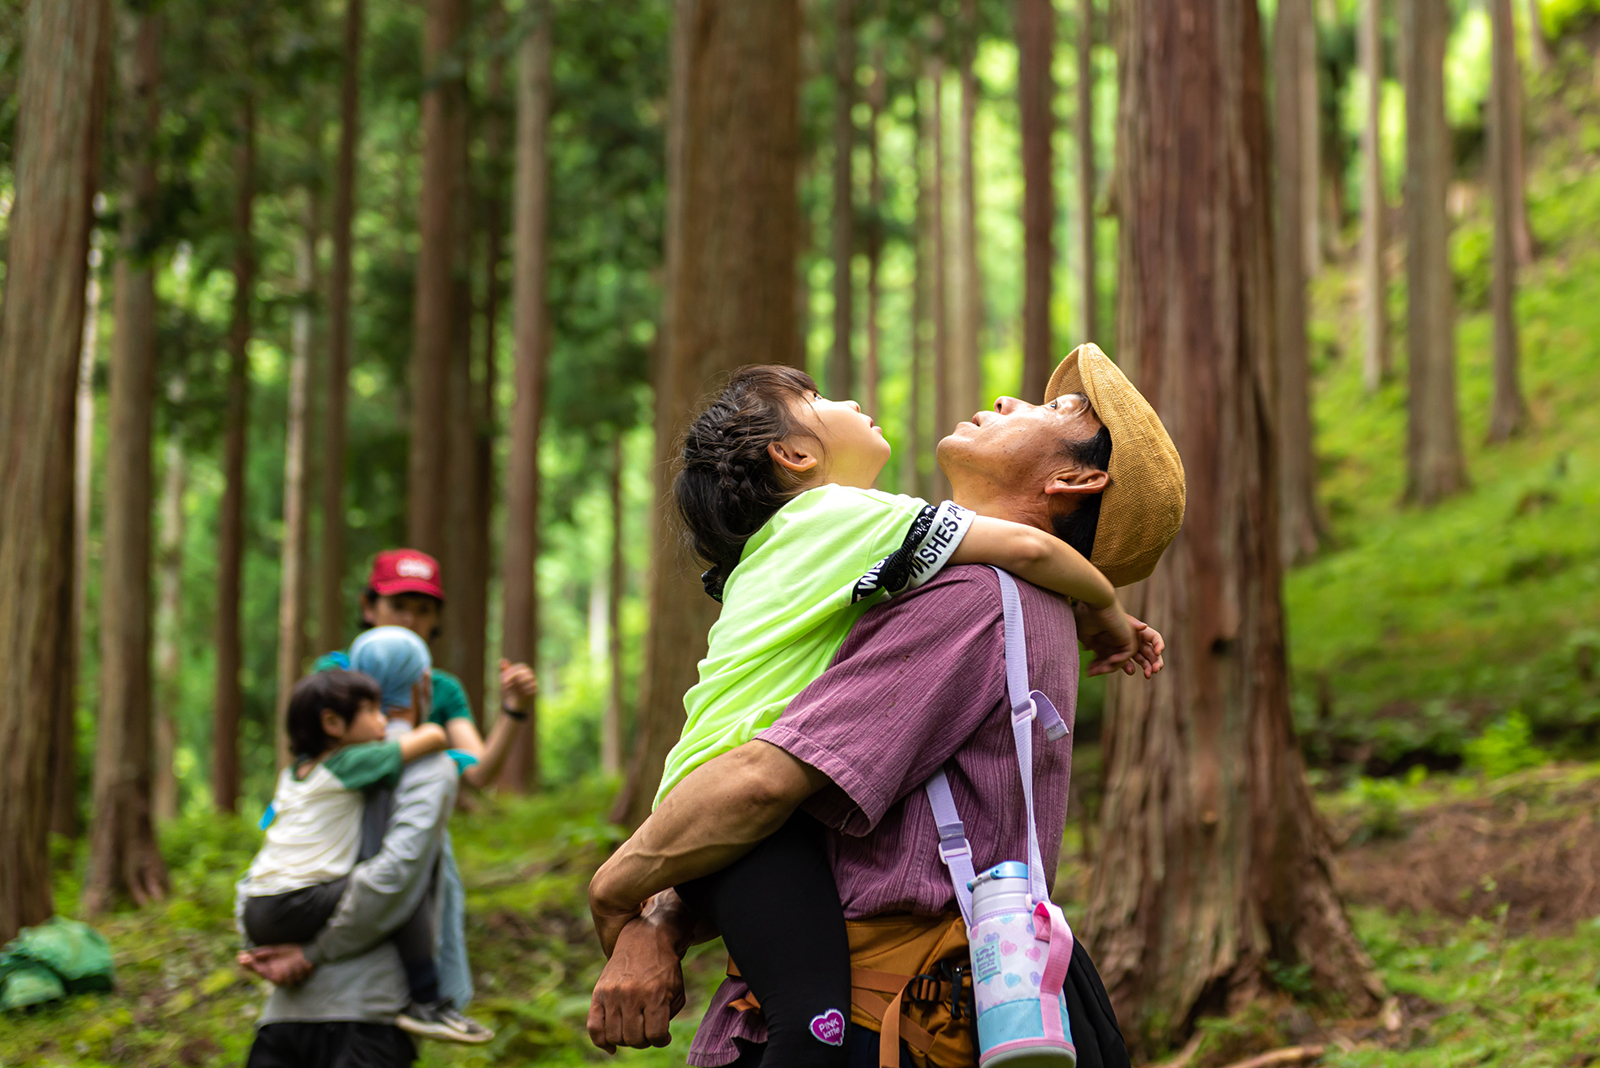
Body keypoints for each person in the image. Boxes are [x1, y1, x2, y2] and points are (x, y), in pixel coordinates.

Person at [588, 344, 1185, 1068]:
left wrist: (621, 887)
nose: (1007, 401)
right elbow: (792, 827)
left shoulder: (969, 601)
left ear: (1076, 478)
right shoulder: (986, 590)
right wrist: (666, 918)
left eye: (1055, 410)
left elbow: (763, 784)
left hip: (877, 1028)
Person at [238, 658, 489, 1044]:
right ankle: (426, 1000)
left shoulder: (294, 773)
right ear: (333, 725)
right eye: (371, 711)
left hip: (259, 907)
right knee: (408, 889)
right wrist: (421, 723)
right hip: (300, 909)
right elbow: (436, 737)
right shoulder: (349, 763)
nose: (382, 721)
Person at [316, 548, 538, 791]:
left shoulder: (443, 689)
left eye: (423, 610)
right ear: (368, 607)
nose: (409, 620)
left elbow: (478, 774)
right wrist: (427, 741)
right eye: (398, 606)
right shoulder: (335, 674)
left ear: (436, 619)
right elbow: (315, 758)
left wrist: (513, 709)